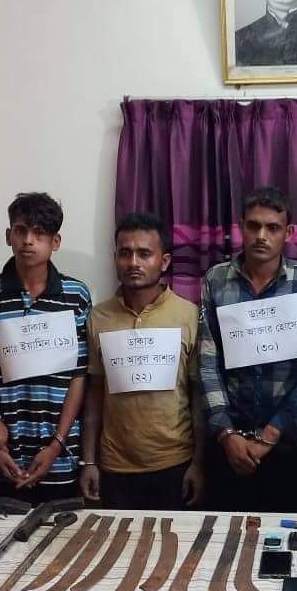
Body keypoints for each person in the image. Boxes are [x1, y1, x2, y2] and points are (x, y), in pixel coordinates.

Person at [198, 186, 297, 513]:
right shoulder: (216, 280)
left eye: (272, 228)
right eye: (253, 226)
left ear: (288, 232)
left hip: (290, 443)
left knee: (290, 538)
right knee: (228, 536)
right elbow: (207, 363)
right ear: (240, 227)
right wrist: (226, 433)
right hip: (231, 445)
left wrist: (271, 433)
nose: (261, 236)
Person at [0, 193, 91, 504]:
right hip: (5, 451)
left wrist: (57, 444)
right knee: (3, 529)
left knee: (61, 531)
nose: (28, 241)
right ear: (9, 235)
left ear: (55, 242)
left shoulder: (75, 295)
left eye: (40, 233)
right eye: (21, 231)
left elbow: (79, 376)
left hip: (60, 454)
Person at [81, 214, 204, 510]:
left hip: (175, 463)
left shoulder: (188, 315)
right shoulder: (98, 317)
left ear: (164, 261)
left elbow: (198, 397)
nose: (133, 262)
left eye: (144, 254)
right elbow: (94, 395)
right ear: (115, 259)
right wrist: (89, 461)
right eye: (125, 253)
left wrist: (200, 464)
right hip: (114, 467)